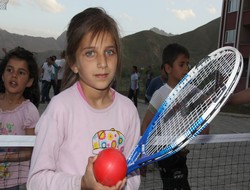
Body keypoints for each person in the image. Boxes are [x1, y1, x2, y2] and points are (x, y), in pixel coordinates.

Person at [27, 7, 141, 190]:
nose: (102, 62)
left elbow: (134, 175)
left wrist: (121, 186)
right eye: (90, 53)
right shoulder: (60, 108)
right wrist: (81, 184)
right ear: (73, 63)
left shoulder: (128, 110)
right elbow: (36, 181)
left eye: (109, 52)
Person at [141, 43, 209, 190]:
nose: (186, 68)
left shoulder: (192, 91)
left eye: (187, 64)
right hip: (165, 153)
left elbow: (206, 111)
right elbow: (146, 124)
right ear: (168, 68)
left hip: (182, 154)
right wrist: (143, 154)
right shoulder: (160, 94)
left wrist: (206, 118)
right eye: (182, 64)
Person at [0, 46, 40, 189]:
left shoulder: (29, 111)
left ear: (29, 82)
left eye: (21, 72)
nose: (14, 75)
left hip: (11, 182)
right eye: (9, 70)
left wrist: (4, 157)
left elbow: (30, 151)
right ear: (2, 75)